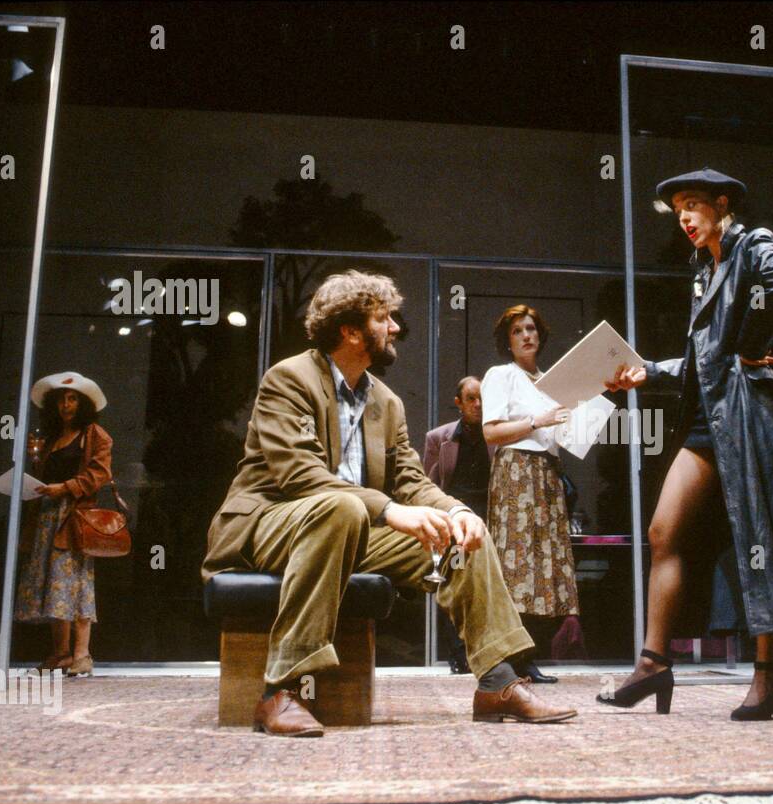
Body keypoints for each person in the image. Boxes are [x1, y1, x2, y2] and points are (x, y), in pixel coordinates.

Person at [202, 270, 576, 735]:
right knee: (343, 508)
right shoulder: (289, 379)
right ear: (350, 330)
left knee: (464, 537)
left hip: (353, 530)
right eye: (384, 318)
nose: (395, 328)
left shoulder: (387, 402)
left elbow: (411, 480)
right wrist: (389, 511)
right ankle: (281, 689)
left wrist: (456, 511)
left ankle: (498, 682)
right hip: (272, 525)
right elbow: (301, 476)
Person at [602, 167, 773, 720]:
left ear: (721, 204)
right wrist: (647, 371)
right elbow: (704, 358)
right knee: (663, 531)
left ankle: (767, 678)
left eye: (691, 204)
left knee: (758, 539)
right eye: (677, 208)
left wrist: (753, 343)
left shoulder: (752, 245)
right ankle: (653, 664)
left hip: (748, 415)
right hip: (712, 419)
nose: (683, 217)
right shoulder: (705, 272)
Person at [480, 304, 585, 684]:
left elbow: (559, 435)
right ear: (507, 342)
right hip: (516, 471)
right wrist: (536, 421)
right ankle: (513, 658)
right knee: (517, 562)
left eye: (531, 329)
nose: (527, 335)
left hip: (547, 473)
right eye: (517, 331)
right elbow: (490, 433)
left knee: (545, 565)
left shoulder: (550, 381)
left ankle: (529, 655)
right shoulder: (501, 375)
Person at [15, 372, 114, 677]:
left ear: (82, 404)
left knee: (76, 584)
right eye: (61, 399)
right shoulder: (53, 439)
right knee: (53, 585)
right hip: (47, 518)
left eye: (72, 399)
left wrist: (66, 487)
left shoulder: (94, 434)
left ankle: (82, 654)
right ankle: (61, 654)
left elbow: (100, 474)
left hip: (74, 518)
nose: (65, 405)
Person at [423, 375, 494, 674]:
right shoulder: (439, 438)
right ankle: (458, 653)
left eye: (482, 398)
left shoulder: (496, 436)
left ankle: (486, 651)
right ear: (458, 403)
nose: (478, 405)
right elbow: (428, 483)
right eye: (471, 399)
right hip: (455, 522)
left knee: (488, 588)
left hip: (489, 520)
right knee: (455, 581)